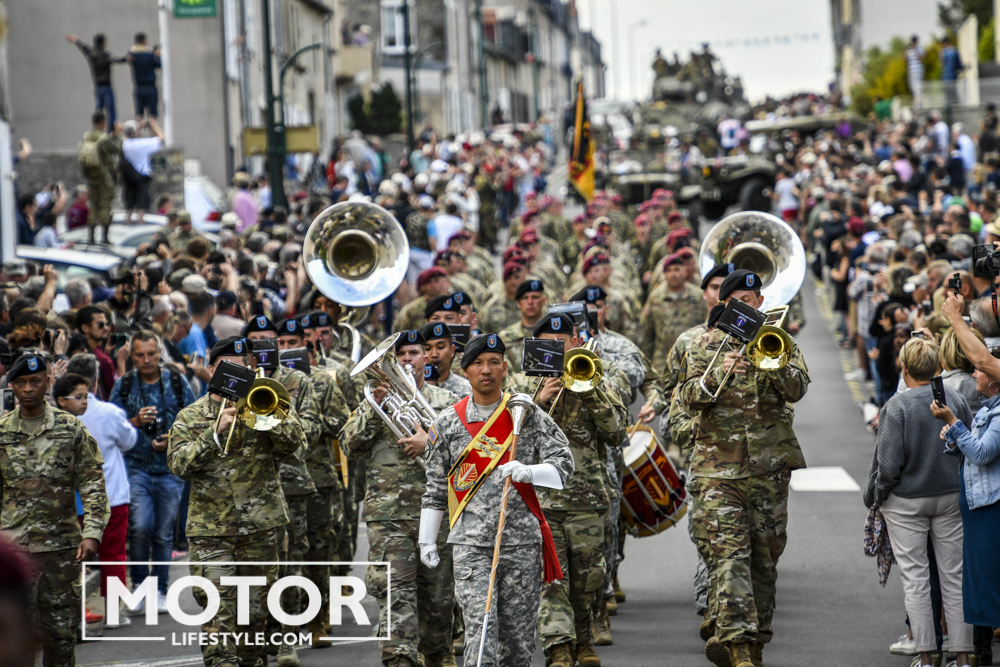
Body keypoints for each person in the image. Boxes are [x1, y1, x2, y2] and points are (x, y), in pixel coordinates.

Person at [679, 270, 810, 667]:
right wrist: (720, 372)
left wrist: (771, 365)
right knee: (731, 557)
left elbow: (798, 389)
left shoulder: (778, 341)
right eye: (739, 300)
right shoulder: (703, 344)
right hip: (718, 471)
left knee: (764, 560)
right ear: (724, 304)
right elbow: (687, 396)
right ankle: (738, 644)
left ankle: (757, 640)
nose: (747, 305)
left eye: (753, 300)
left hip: (768, 469)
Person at [419, 333, 575, 667]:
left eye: (493, 362)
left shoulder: (526, 414)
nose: (486, 370)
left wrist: (530, 472)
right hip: (471, 546)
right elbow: (435, 488)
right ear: (465, 371)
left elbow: (564, 465)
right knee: (480, 632)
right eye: (477, 363)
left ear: (505, 368)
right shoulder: (447, 422)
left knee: (517, 642)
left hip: (520, 544)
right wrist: (426, 540)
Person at [168, 336, 306, 667]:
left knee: (254, 618)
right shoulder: (190, 416)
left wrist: (265, 418)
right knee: (218, 614)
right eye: (227, 366)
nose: (235, 372)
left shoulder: (264, 402)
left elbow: (294, 444)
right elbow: (178, 465)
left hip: (260, 527)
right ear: (211, 369)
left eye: (242, 366)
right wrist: (213, 434)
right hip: (211, 532)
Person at [508, 314, 628, 667]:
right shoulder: (520, 385)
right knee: (551, 579)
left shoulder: (597, 377)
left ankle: (582, 638)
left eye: (563, 342)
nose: (558, 349)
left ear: (576, 342)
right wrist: (539, 400)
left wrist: (590, 393)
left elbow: (617, 433)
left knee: (588, 581)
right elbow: (509, 439)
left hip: (587, 498)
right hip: (539, 501)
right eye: (549, 343)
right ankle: (558, 648)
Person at [340, 330, 460, 667]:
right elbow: (348, 445)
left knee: (438, 600)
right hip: (388, 516)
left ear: (426, 358)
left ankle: (438, 654)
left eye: (413, 353)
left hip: (437, 514)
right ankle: (399, 660)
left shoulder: (448, 401)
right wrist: (372, 408)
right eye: (400, 355)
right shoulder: (372, 403)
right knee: (395, 594)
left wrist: (429, 443)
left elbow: (468, 453)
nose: (407, 360)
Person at [865, 336, 974, 667]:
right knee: (954, 576)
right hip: (950, 495)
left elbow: (888, 466)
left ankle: (926, 657)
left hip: (907, 500)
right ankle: (963, 657)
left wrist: (877, 494)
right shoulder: (954, 397)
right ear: (938, 367)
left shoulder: (896, 406)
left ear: (904, 368)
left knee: (916, 579)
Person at [0, 353, 108, 667]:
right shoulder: (2, 432)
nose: (28, 388)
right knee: (13, 641)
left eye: (35, 381)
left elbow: (92, 482)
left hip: (61, 553)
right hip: (14, 553)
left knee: (61, 639)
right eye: (21, 382)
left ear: (48, 382)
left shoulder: (70, 428)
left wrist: (92, 532)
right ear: (12, 386)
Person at [109, 330, 196, 614]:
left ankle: (159, 589)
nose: (146, 360)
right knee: (139, 527)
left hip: (170, 469)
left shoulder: (176, 381)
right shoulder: (124, 385)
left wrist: (173, 438)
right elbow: (113, 425)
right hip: (136, 468)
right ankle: (139, 585)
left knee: (162, 533)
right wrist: (134, 420)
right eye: (140, 355)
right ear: (131, 356)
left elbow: (195, 419)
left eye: (151, 354)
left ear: (159, 353)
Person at [54, 363, 136, 630]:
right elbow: (129, 441)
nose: (84, 402)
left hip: (79, 502)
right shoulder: (109, 413)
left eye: (85, 396)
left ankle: (80, 615)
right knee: (112, 556)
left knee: (75, 559)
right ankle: (108, 613)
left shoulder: (52, 421)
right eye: (80, 397)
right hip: (108, 497)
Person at [930, 350, 1000, 647]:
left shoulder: (998, 415)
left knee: (987, 579)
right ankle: (980, 650)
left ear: (994, 380)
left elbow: (982, 454)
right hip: (976, 508)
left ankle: (982, 649)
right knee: (977, 580)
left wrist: (952, 421)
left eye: (980, 370)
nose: (974, 374)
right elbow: (973, 450)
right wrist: (954, 438)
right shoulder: (987, 410)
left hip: (989, 510)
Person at [639, 253, 707, 372]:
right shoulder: (655, 297)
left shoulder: (698, 296)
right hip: (662, 360)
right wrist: (647, 364)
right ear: (664, 273)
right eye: (669, 270)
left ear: (684, 271)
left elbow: (706, 326)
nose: (673, 274)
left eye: (676, 269)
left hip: (692, 358)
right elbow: (646, 332)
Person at [78, 112, 122, 244]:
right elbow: (117, 148)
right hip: (104, 177)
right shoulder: (103, 138)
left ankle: (91, 237)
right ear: (103, 122)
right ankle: (104, 237)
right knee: (105, 205)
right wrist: (117, 135)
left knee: (93, 206)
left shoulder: (86, 136)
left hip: (92, 178)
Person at [66, 33, 125, 127]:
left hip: (98, 87)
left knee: (98, 111)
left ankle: (97, 129)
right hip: (107, 86)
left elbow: (84, 47)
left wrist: (76, 40)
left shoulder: (92, 53)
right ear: (103, 43)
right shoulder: (106, 55)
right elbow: (117, 60)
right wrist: (127, 58)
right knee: (111, 112)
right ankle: (111, 131)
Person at [121, 118, 164, 225]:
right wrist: (153, 125)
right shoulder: (140, 144)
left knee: (129, 201)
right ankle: (140, 220)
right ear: (135, 132)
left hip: (129, 177)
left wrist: (138, 126)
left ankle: (128, 219)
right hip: (141, 176)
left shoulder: (125, 144)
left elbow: (127, 134)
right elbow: (161, 139)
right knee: (142, 201)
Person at [499, 279, 549, 370]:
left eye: (535, 297)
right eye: (525, 298)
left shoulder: (553, 334)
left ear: (543, 301)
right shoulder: (505, 337)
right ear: (518, 303)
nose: (530, 302)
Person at [75, 305, 117, 399]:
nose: (106, 328)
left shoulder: (100, 353)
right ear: (85, 328)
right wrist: (121, 363)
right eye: (100, 325)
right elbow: (117, 391)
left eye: (107, 324)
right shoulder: (103, 360)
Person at [420, 321, 471, 396]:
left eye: (440, 347)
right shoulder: (410, 389)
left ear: (452, 351)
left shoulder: (467, 390)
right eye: (427, 348)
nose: (434, 354)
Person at [126, 33, 161, 120]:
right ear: (144, 41)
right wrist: (157, 56)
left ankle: (138, 129)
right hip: (150, 87)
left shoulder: (132, 55)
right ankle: (153, 129)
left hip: (138, 87)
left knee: (139, 114)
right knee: (152, 115)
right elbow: (159, 64)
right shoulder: (149, 55)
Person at [906, 36, 926, 111]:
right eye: (912, 41)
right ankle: (916, 103)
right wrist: (905, 50)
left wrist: (915, 49)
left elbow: (920, 58)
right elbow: (905, 59)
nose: (913, 42)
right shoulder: (909, 50)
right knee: (913, 88)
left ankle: (920, 104)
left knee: (918, 87)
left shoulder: (920, 48)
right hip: (911, 71)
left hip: (918, 70)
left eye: (914, 41)